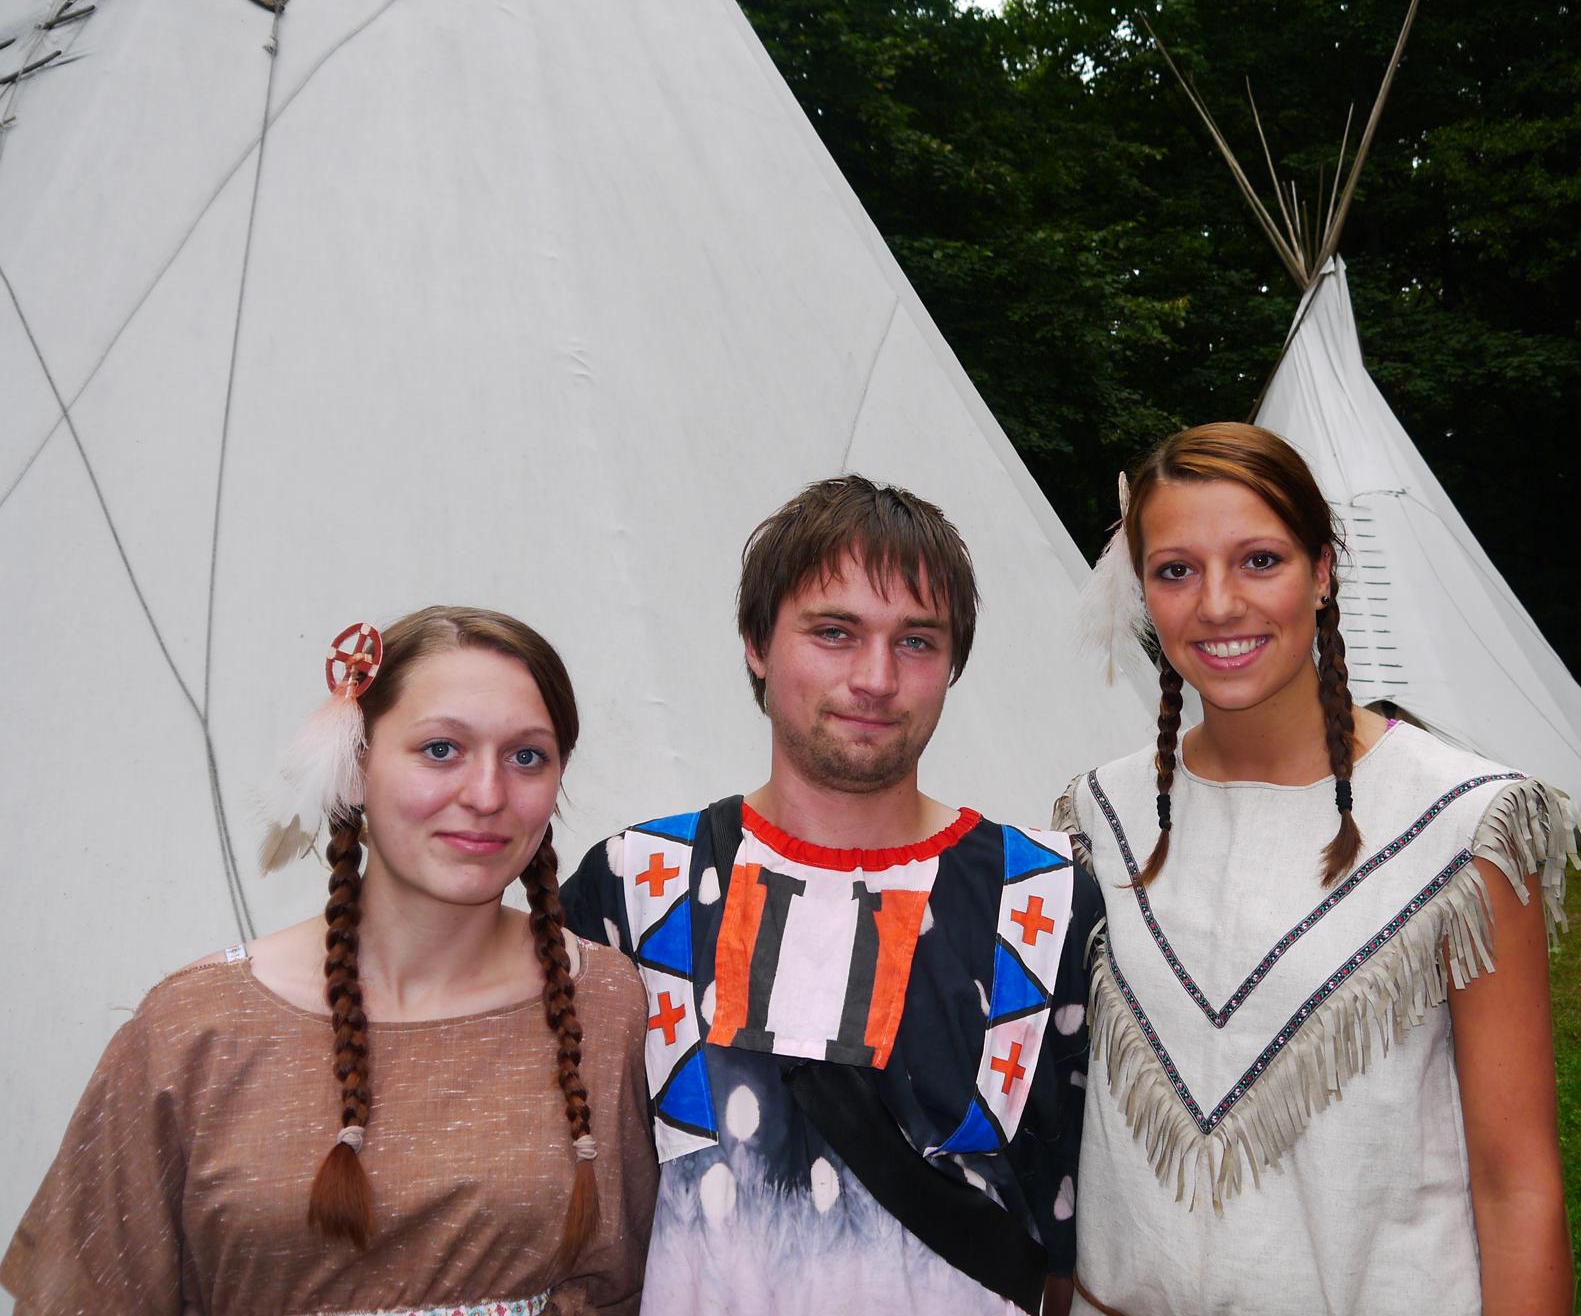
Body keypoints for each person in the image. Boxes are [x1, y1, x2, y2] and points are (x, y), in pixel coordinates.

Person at [1058, 424, 1581, 1316]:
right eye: (1176, 571)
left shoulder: (1464, 825)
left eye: (1259, 561)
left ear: (1323, 571)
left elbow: (1518, 1182)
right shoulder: (1097, 818)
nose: (1217, 604)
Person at [3, 606, 656, 1314]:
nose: (486, 795)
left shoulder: (606, 1002)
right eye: (441, 749)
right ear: (353, 766)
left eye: (527, 756)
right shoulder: (192, 1029)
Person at [561, 476, 1102, 1316]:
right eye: (835, 632)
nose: (876, 678)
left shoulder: (1048, 894)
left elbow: (1078, 1225)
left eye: (916, 641)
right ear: (756, 643)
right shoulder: (635, 885)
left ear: (953, 664)